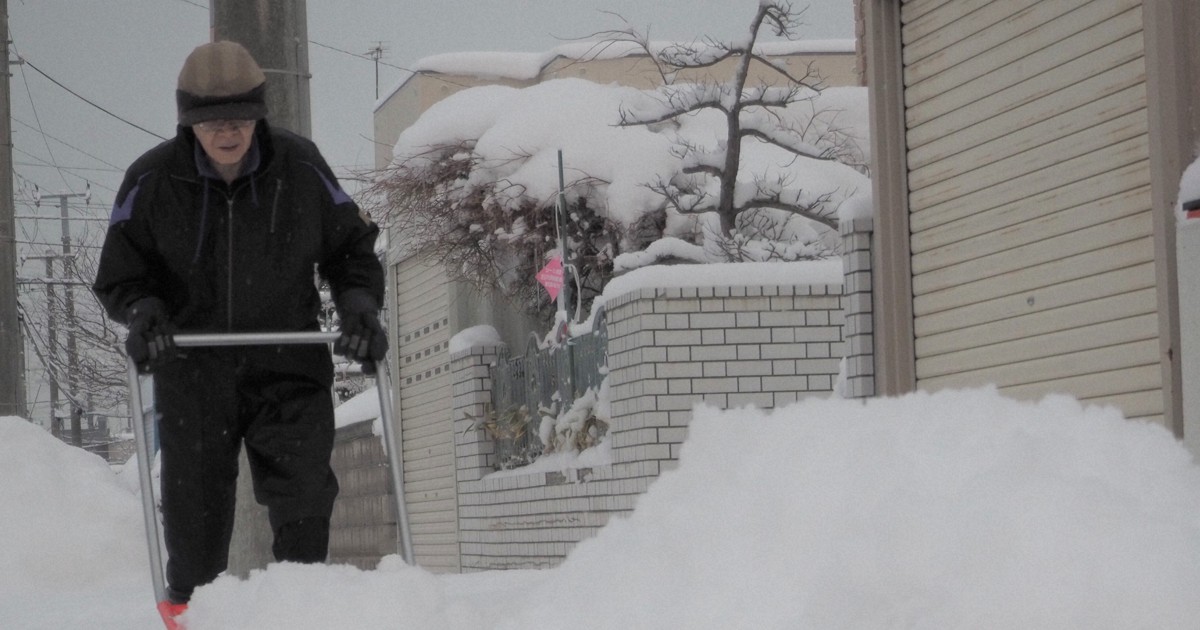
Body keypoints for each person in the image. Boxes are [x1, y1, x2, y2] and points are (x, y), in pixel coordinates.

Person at [92, 41, 387, 612]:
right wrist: (143, 310)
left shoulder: (300, 168)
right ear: (189, 125)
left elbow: (352, 249)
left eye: (240, 120)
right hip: (193, 373)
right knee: (194, 531)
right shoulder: (151, 182)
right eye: (212, 123)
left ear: (259, 116)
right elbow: (121, 274)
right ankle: (189, 616)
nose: (228, 134)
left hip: (289, 367)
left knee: (304, 508)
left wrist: (358, 306)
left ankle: (300, 616)